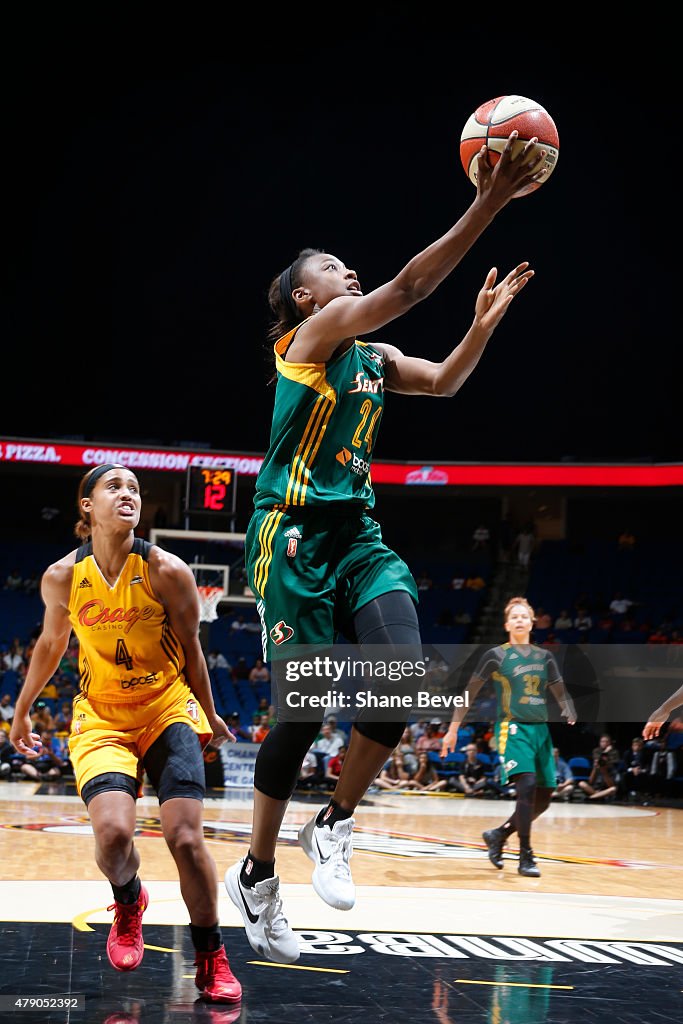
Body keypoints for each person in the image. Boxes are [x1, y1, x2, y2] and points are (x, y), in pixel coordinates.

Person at [224, 131, 546, 964]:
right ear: (303, 299)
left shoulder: (371, 358)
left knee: (401, 677)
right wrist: (490, 200)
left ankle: (332, 823)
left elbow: (441, 381)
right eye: (329, 269)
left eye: (344, 269)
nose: (346, 274)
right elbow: (409, 284)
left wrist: (478, 328)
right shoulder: (310, 342)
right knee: (298, 712)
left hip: (357, 535)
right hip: (289, 533)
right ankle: (255, 872)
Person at [8, 464, 241, 1004]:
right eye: (113, 487)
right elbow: (49, 645)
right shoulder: (62, 577)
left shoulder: (168, 570)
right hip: (102, 716)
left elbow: (192, 650)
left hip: (166, 707)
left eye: (135, 488)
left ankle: (211, 955)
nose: (128, 493)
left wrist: (207, 714)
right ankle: (129, 898)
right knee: (113, 839)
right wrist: (23, 711)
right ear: (86, 507)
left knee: (185, 837)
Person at [441, 597, 577, 877]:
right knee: (526, 786)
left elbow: (558, 686)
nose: (519, 620)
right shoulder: (496, 655)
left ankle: (498, 834)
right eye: (514, 616)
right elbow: (470, 692)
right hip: (513, 728)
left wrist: (567, 704)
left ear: (531, 622)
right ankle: (526, 855)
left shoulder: (545, 656)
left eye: (524, 616)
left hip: (541, 731)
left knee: (544, 798)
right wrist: (453, 729)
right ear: (506, 624)